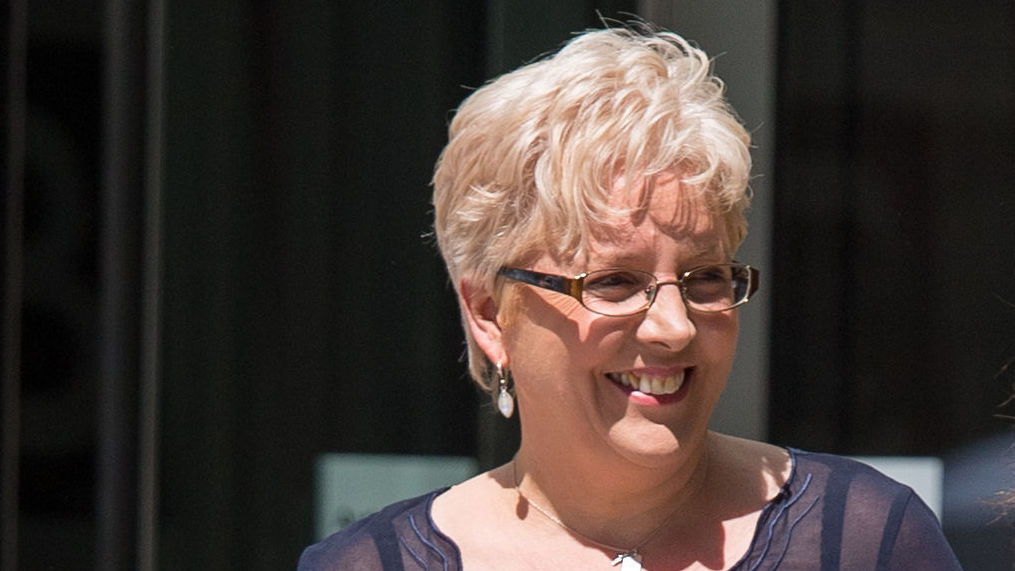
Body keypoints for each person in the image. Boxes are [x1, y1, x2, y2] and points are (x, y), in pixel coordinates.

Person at [299, 25, 961, 570]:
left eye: (704, 277)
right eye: (613, 281)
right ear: (485, 312)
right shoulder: (366, 564)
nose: (673, 327)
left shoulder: (865, 539)